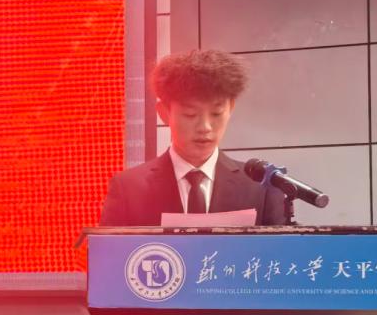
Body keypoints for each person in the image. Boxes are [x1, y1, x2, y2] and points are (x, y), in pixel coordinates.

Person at [99, 49, 287, 226]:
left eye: (216, 113)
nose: (205, 127)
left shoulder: (261, 188)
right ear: (164, 113)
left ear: (230, 108)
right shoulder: (129, 189)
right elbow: (109, 250)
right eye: (190, 115)